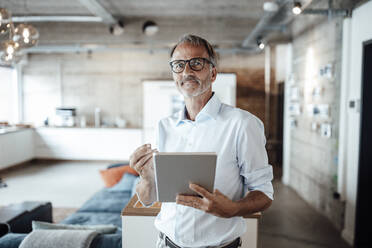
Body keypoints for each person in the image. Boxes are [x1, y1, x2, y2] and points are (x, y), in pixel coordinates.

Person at [130, 34, 274, 248]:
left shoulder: (242, 124)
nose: (187, 71)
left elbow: (264, 193)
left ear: (213, 73)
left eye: (196, 63)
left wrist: (233, 209)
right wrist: (146, 177)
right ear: (173, 74)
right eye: (179, 65)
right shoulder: (164, 127)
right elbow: (147, 199)